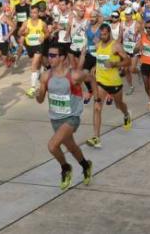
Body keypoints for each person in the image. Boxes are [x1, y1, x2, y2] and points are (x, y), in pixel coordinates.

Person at [36, 43, 94, 190]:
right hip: (55, 118)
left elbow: (89, 76)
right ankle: (86, 165)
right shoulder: (45, 76)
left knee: (52, 146)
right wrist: (39, 93)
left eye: (53, 55)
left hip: (71, 118)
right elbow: (40, 99)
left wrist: (94, 94)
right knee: (72, 147)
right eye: (49, 55)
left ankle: (65, 168)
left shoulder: (73, 75)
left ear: (62, 57)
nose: (50, 58)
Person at [86, 23, 132, 149]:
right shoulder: (98, 45)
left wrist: (115, 64)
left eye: (105, 34)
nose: (102, 36)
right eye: (101, 34)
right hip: (100, 82)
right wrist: (96, 66)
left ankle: (126, 114)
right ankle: (96, 138)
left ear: (109, 33)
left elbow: (128, 61)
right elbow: (100, 59)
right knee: (97, 108)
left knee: (119, 105)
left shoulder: (115, 45)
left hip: (114, 83)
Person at [19, 5, 48, 98]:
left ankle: (32, 88)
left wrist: (43, 37)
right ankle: (42, 75)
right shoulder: (26, 22)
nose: (33, 14)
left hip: (39, 46)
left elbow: (47, 32)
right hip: (29, 46)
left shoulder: (42, 23)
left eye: (35, 12)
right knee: (37, 65)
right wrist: (24, 32)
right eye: (31, 12)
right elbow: (19, 33)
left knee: (34, 66)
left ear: (38, 13)